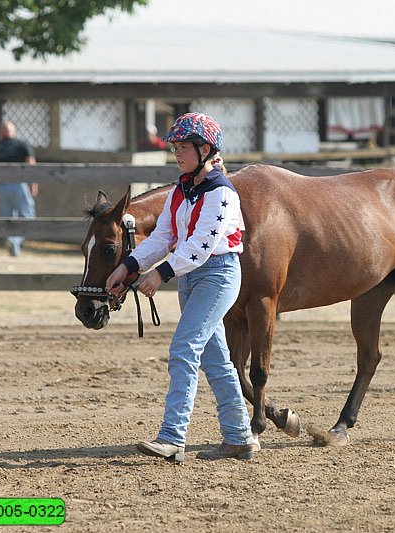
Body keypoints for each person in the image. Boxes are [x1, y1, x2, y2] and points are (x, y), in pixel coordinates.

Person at [105, 112, 254, 462]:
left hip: (217, 275)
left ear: (205, 150)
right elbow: (163, 237)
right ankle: (239, 436)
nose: (177, 153)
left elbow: (202, 245)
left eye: (183, 147)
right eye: (175, 148)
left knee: (184, 349)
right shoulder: (181, 191)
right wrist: (127, 267)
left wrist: (161, 274)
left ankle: (172, 437)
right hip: (191, 278)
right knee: (217, 361)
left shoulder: (221, 194)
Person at [0, 120, 38, 257]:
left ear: (1, 133)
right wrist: (33, 184)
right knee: (28, 216)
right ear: (13, 132)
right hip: (19, 185)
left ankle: (13, 243)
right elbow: (31, 166)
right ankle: (16, 242)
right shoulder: (22, 146)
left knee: (7, 219)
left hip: (2, 187)